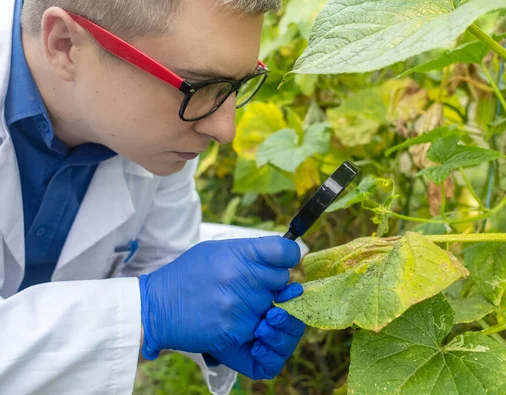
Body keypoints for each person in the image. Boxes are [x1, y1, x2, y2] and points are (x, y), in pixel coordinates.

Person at [0, 0, 307, 393]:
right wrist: (146, 313)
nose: (224, 129)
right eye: (199, 86)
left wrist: (222, 316)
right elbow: (150, 299)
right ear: (63, 44)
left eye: (235, 86)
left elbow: (160, 263)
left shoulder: (147, 134)